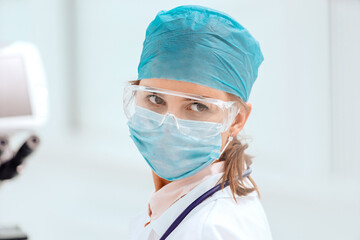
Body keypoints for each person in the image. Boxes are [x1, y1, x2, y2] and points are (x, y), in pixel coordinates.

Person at [124, 5, 272, 240]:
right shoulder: (179, 202)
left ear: (237, 119)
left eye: (197, 106)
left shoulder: (211, 229)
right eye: (155, 99)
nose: (168, 126)